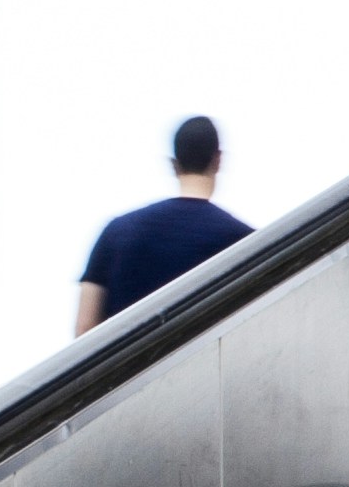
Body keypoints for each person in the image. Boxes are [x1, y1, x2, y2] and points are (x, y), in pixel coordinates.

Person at [74, 118, 252, 331]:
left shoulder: (116, 232)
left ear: (174, 165)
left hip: (133, 363)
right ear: (218, 160)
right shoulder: (244, 241)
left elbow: (84, 328)